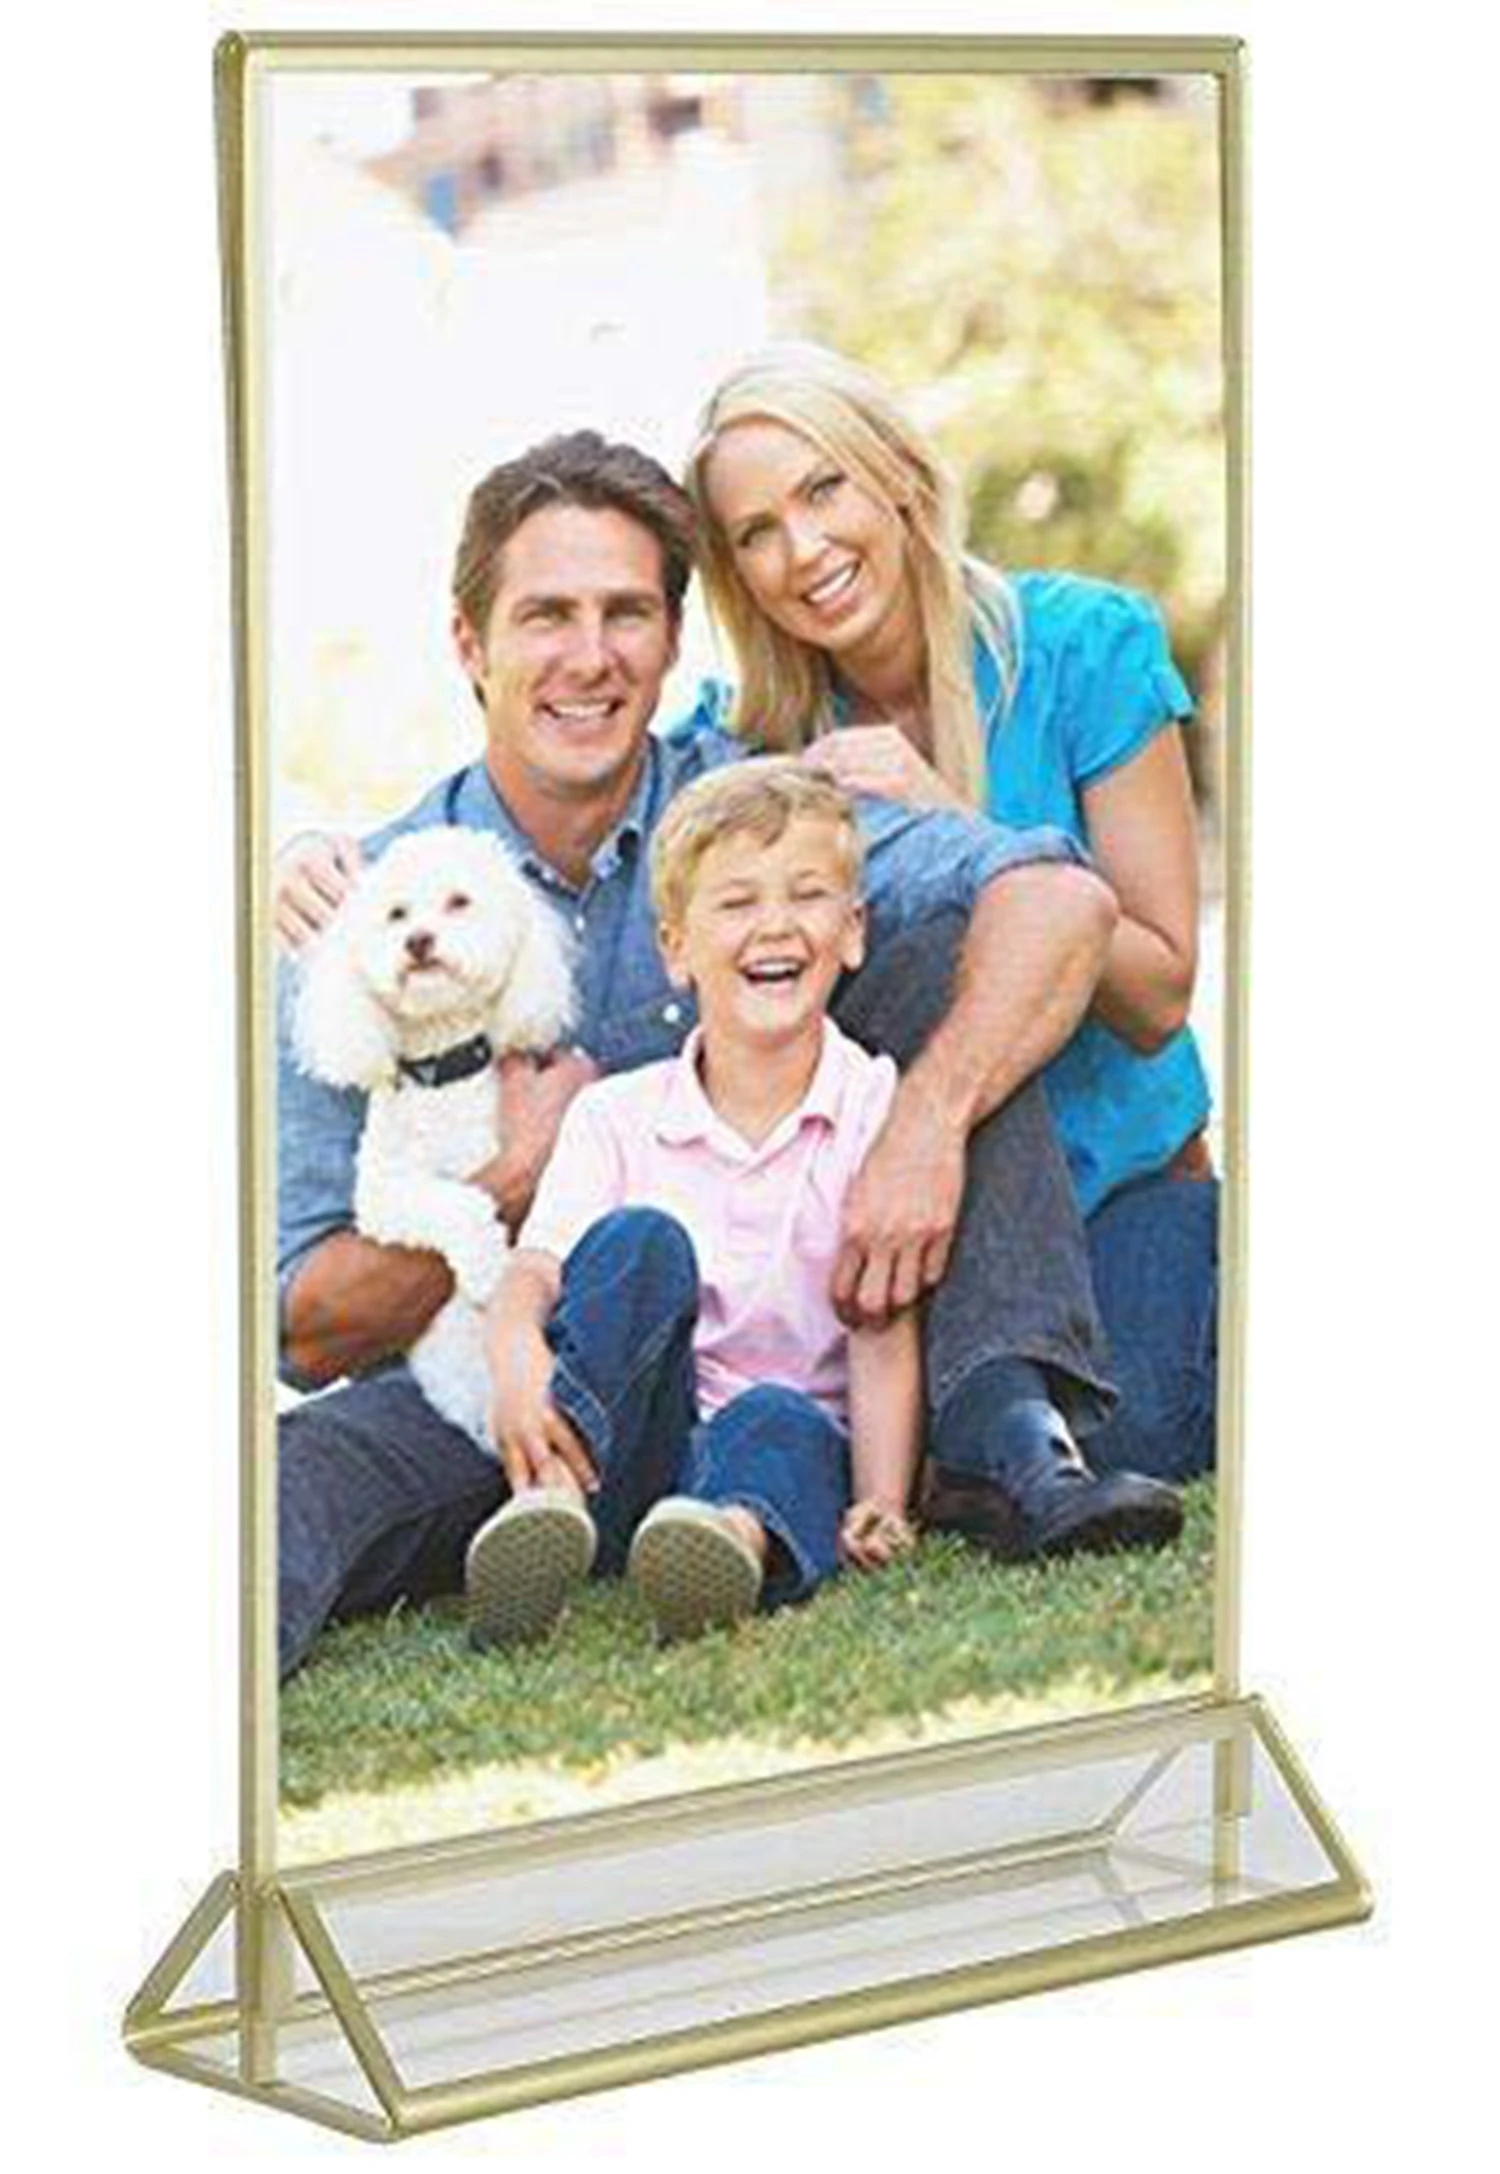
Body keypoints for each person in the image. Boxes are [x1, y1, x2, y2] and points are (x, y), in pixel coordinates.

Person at [275, 428, 1180, 1681]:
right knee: (288, 1482)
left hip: (770, 1389)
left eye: (626, 613)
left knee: (941, 956)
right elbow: (307, 1327)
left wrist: (921, 1126)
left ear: (671, 640)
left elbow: (1060, 904)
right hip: (490, 1388)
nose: (589, 656)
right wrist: (511, 1177)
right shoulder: (372, 907)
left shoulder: (755, 818)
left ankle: (1001, 1432)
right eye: (546, 616)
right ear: (471, 645)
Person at [686, 343, 1219, 1508]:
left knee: (1136, 1424)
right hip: (911, 1229)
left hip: (1120, 1188)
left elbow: (1160, 996)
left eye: (825, 488)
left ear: (898, 475)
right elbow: (609, 803)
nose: (804, 550)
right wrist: (325, 859)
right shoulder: (759, 744)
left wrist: (959, 830)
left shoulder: (1082, 647)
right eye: (758, 531)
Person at [468, 762, 921, 1648]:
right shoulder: (614, 1116)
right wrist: (517, 1360)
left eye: (807, 895)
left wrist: (883, 1500)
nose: (776, 924)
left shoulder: (876, 1108)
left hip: (787, 1449)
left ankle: (724, 1546)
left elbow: (883, 1320)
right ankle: (550, 1511)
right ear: (676, 950)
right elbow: (533, 1274)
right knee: (640, 1243)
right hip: (625, 1453)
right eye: (738, 902)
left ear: (853, 930)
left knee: (778, 1420)